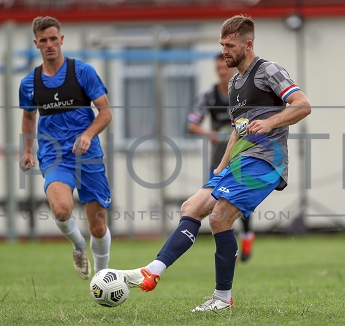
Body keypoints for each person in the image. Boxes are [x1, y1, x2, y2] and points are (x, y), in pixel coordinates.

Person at [119, 14, 311, 311]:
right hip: (239, 162)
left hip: (267, 160)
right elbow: (238, 130)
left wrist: (270, 122)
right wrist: (221, 166)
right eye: (222, 44)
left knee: (219, 217)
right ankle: (152, 270)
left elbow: (302, 105)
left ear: (248, 44)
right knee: (191, 207)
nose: (224, 51)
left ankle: (222, 298)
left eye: (230, 45)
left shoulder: (268, 70)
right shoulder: (234, 83)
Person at [19, 16, 113, 280]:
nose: (49, 44)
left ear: (61, 40)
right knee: (61, 209)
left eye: (53, 39)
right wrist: (27, 150)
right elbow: (28, 116)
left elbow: (105, 113)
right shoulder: (29, 83)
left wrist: (87, 134)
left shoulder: (82, 72)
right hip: (54, 155)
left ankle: (102, 276)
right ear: (36, 43)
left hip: (88, 155)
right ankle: (79, 246)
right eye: (43, 40)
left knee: (98, 226)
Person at [187, 52, 255, 262]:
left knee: (240, 202)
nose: (222, 71)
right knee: (218, 203)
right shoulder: (209, 95)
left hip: (243, 155)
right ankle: (229, 245)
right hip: (219, 159)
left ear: (233, 68)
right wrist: (211, 135)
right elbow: (192, 124)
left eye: (225, 67)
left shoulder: (245, 92)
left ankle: (246, 236)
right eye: (218, 68)